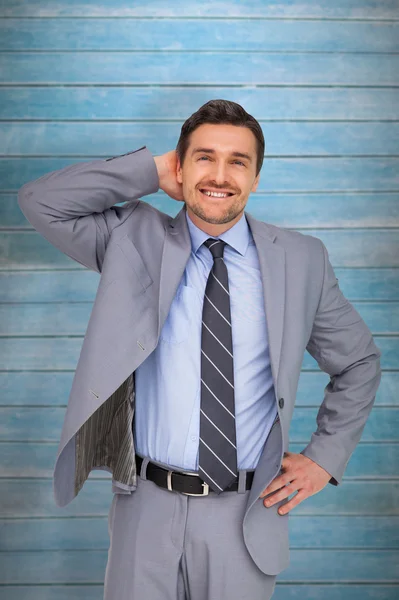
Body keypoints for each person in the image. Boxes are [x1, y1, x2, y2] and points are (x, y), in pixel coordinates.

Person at [17, 99, 382, 600]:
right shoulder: (129, 237)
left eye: (238, 161)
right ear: (181, 168)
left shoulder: (301, 260)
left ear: (256, 178)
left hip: (245, 513)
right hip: (144, 507)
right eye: (204, 157)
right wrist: (148, 171)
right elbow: (41, 200)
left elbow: (359, 362)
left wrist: (325, 456)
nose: (220, 174)